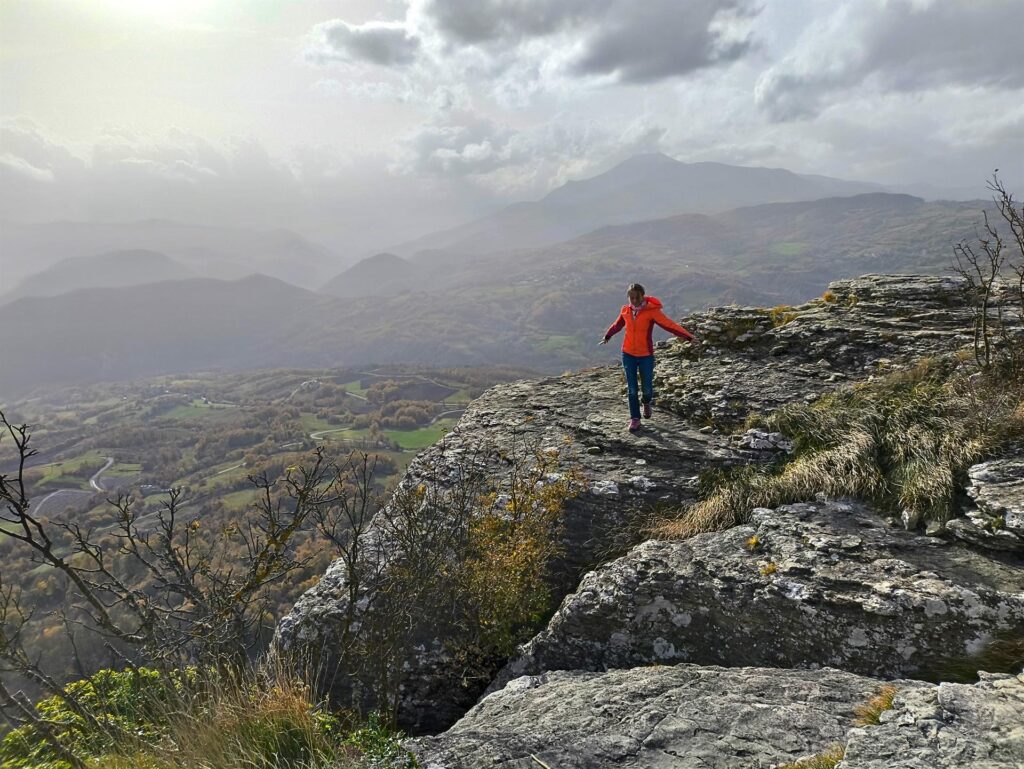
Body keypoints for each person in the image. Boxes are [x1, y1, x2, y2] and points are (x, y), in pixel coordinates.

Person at [599, 282, 696, 432]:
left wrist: (688, 337)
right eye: (631, 298)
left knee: (647, 389)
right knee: (632, 389)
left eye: (637, 297)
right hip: (628, 354)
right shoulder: (626, 310)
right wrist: (608, 335)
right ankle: (635, 419)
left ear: (643, 296)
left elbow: (669, 325)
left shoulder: (652, 311)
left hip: (645, 355)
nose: (634, 301)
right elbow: (618, 324)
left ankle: (646, 402)